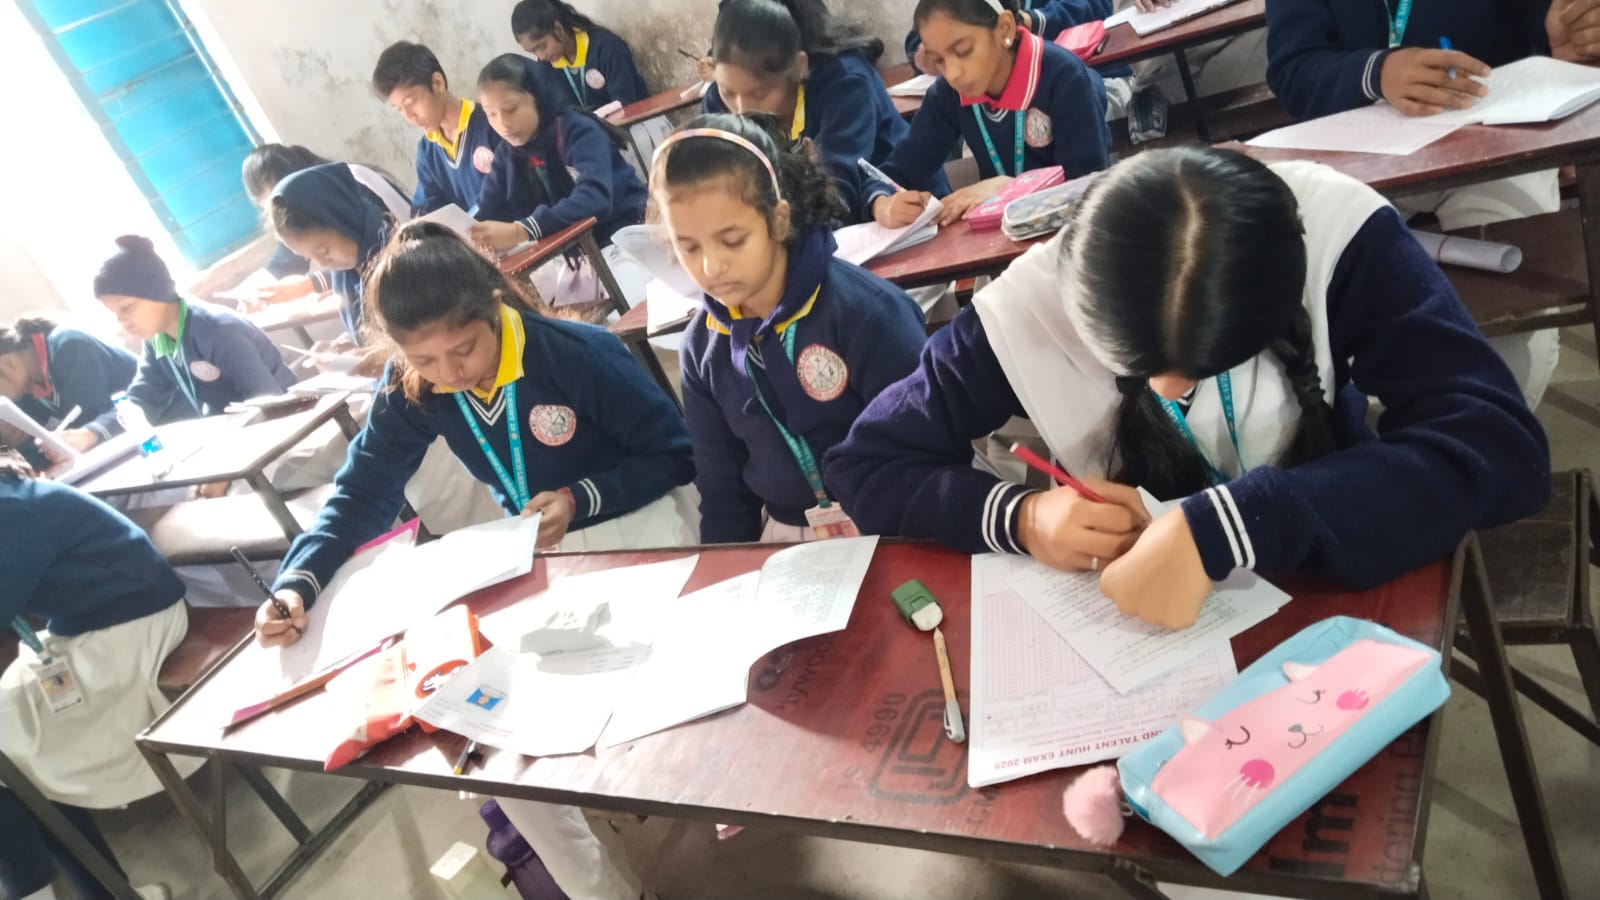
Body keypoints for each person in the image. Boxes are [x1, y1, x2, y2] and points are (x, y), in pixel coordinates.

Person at [826, 147, 1550, 630]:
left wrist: (1228, 526)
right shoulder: (1027, 306)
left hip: (1339, 567)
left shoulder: (1336, 231)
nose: (1170, 392)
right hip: (1149, 632)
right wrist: (1022, 516)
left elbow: (1501, 449)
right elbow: (865, 465)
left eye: (1205, 367)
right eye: (1137, 365)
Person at [251, 220, 693, 900]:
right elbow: (362, 490)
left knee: (649, 702)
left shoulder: (576, 354)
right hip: (538, 557)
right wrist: (297, 584)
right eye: (425, 360)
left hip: (638, 529)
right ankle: (605, 893)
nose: (450, 373)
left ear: (494, 306)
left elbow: (675, 454)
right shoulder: (415, 385)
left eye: (464, 349)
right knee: (491, 748)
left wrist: (580, 498)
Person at [1263, 0, 1600, 408]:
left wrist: (1557, 32)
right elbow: (1293, 67)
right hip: (1361, 155)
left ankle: (1484, 422)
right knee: (1319, 314)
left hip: (1492, 137)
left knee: (1517, 310)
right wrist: (1377, 72)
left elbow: (1535, 16)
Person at [656, 114, 926, 543]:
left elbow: (926, 454)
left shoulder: (865, 312)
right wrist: (728, 572)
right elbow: (724, 494)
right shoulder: (700, 348)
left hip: (901, 517)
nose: (711, 266)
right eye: (687, 247)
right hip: (789, 534)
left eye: (732, 241)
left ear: (778, 220)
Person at [0, 446, 200, 900]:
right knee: (12, 749)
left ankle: (71, 890)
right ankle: (91, 891)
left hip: (131, 625)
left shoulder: (9, 511)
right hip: (90, 628)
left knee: (15, 751)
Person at [866, 0, 1111, 228]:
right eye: (938, 61)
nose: (952, 73)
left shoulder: (1063, 77)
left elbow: (1088, 186)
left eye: (963, 51)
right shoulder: (949, 93)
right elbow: (898, 171)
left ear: (1004, 29)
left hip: (1067, 236)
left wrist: (1011, 189)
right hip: (1001, 235)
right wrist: (881, 203)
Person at [703, 0, 949, 221]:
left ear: (799, 66)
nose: (741, 110)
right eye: (728, 92)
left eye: (759, 94)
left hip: (907, 213)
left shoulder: (845, 81)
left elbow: (837, 195)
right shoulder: (718, 101)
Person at [96, 236, 294, 425]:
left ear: (156, 293)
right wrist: (94, 432)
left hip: (286, 419)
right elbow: (144, 396)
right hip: (232, 425)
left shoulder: (218, 331)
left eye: (127, 308)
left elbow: (269, 401)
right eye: (115, 313)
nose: (122, 321)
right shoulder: (157, 340)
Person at [471, 53, 647, 250]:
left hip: (625, 234)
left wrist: (522, 231)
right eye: (491, 114)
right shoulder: (506, 154)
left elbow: (595, 197)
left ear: (537, 97)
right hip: (575, 251)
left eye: (511, 109)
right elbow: (487, 208)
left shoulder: (578, 131)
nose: (503, 123)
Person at [239, 143, 410, 309]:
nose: (322, 263)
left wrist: (309, 285)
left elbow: (373, 253)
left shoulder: (348, 193)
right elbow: (287, 260)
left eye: (323, 251)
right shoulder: (312, 210)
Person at [371, 41, 505, 216]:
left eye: (411, 103)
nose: (409, 117)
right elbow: (426, 208)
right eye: (399, 110)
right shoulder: (428, 151)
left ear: (437, 83)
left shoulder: (493, 124)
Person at [269, 164, 397, 343]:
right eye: (309, 257)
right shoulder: (349, 272)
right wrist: (349, 343)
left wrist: (370, 354)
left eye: (324, 251)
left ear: (345, 220)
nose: (323, 264)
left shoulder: (400, 263)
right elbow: (366, 334)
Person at [0, 316, 135, 467]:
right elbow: (43, 447)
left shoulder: (68, 346)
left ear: (8, 365)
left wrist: (84, 434)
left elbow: (86, 422)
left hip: (145, 433)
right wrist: (14, 443)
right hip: (117, 452)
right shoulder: (26, 393)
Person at [511, 0, 650, 110]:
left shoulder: (606, 47)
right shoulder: (547, 65)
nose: (541, 56)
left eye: (542, 46)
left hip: (633, 125)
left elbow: (626, 103)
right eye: (533, 51)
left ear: (558, 30)